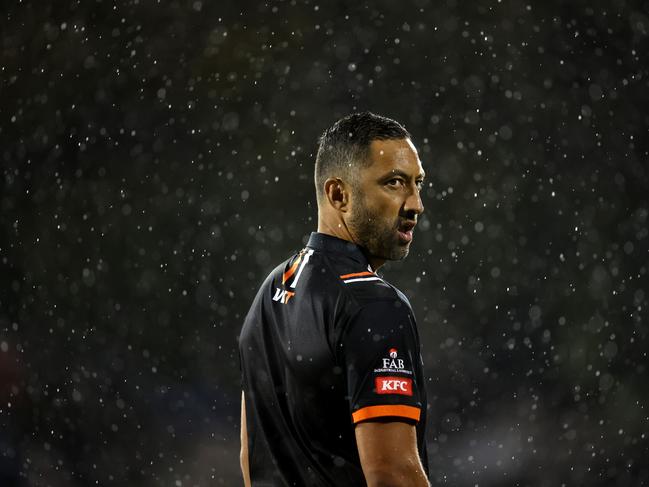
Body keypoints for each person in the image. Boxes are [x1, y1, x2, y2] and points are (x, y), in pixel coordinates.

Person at [239, 112, 429, 486]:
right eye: (394, 183)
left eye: (418, 184)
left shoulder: (271, 292)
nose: (415, 204)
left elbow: (251, 457)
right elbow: (393, 473)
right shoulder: (373, 304)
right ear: (338, 194)